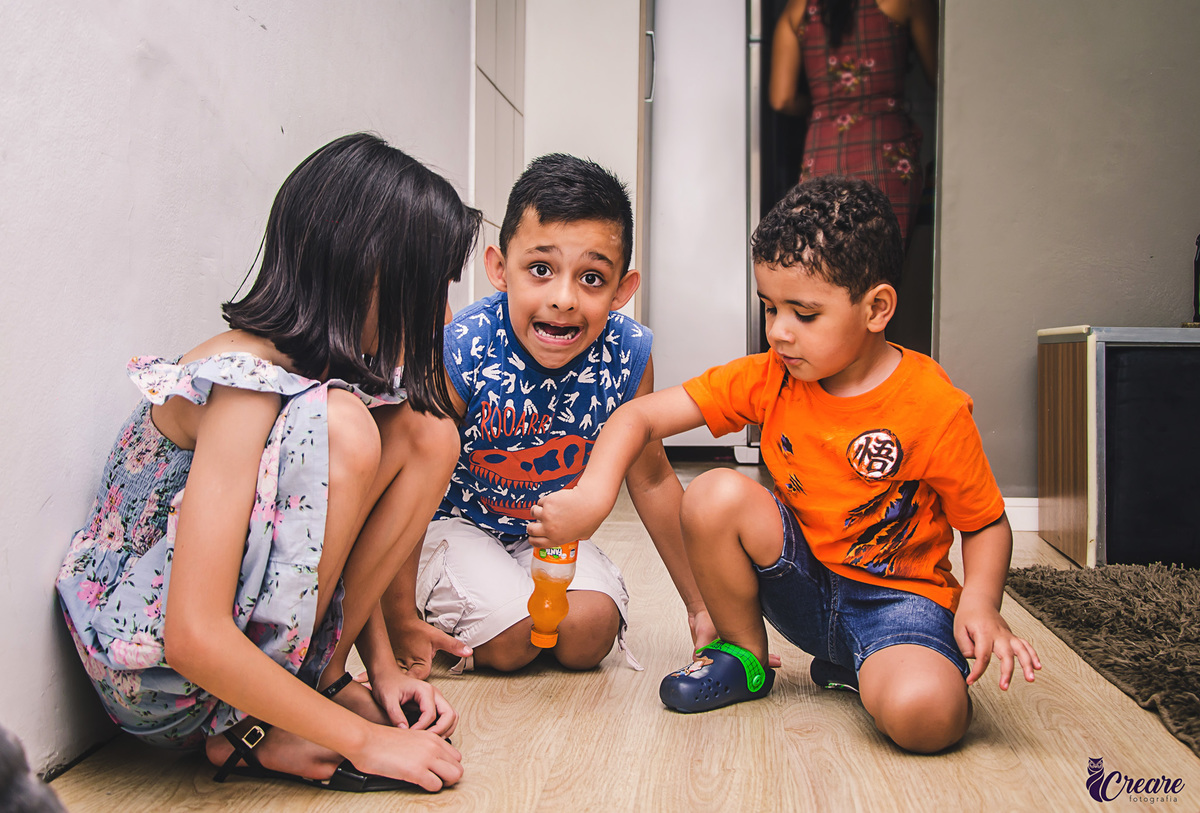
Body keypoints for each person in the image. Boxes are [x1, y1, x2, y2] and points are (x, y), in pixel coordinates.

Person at [530, 176, 1041, 754]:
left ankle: (866, 668)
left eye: (804, 313)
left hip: (900, 605)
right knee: (713, 493)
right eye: (770, 308)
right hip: (803, 586)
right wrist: (596, 496)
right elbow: (637, 418)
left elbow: (984, 522)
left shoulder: (934, 408)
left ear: (876, 308)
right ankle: (743, 656)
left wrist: (980, 603)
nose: (778, 331)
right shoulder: (769, 375)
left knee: (927, 719)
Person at [55, 133, 481, 791]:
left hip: (233, 641)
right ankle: (256, 729)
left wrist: (383, 666)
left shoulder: (319, 376)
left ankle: (318, 682)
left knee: (426, 429)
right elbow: (193, 634)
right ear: (361, 272)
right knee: (349, 429)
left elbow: (329, 529)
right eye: (428, 288)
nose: (443, 315)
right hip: (157, 669)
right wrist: (363, 741)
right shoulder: (242, 383)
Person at [383, 154, 716, 677]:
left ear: (623, 290)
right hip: (455, 524)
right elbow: (411, 481)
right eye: (540, 270)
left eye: (591, 278)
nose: (562, 299)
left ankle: (517, 593)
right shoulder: (463, 347)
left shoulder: (629, 355)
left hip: (548, 537)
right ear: (499, 268)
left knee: (587, 633)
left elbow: (650, 478)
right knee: (513, 641)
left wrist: (702, 606)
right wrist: (398, 617)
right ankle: (451, 601)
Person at [769, 0, 937, 244]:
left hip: (822, 152)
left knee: (827, 266)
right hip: (887, 152)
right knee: (884, 262)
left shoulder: (799, 8)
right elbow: (943, 75)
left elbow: (782, 98)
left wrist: (822, 108)